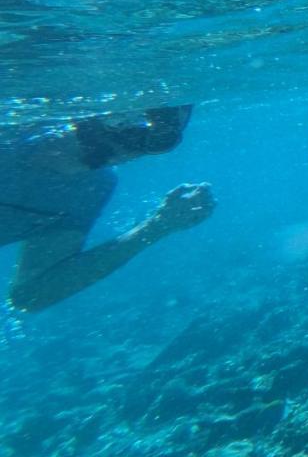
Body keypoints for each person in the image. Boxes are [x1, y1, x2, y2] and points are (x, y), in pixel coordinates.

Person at [0, 105, 214, 312]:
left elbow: (30, 294)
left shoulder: (91, 187)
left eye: (160, 139)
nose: (134, 151)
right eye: (127, 128)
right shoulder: (8, 135)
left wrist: (158, 226)